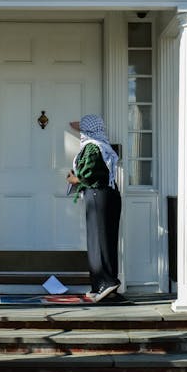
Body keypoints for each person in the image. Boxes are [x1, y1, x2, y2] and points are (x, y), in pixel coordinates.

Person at [66, 115, 122, 303]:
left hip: (98, 195)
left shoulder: (92, 147)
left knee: (98, 240)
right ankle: (103, 285)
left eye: (83, 128)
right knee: (106, 239)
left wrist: (75, 179)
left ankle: (106, 282)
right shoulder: (102, 145)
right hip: (108, 194)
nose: (80, 132)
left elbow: (89, 174)